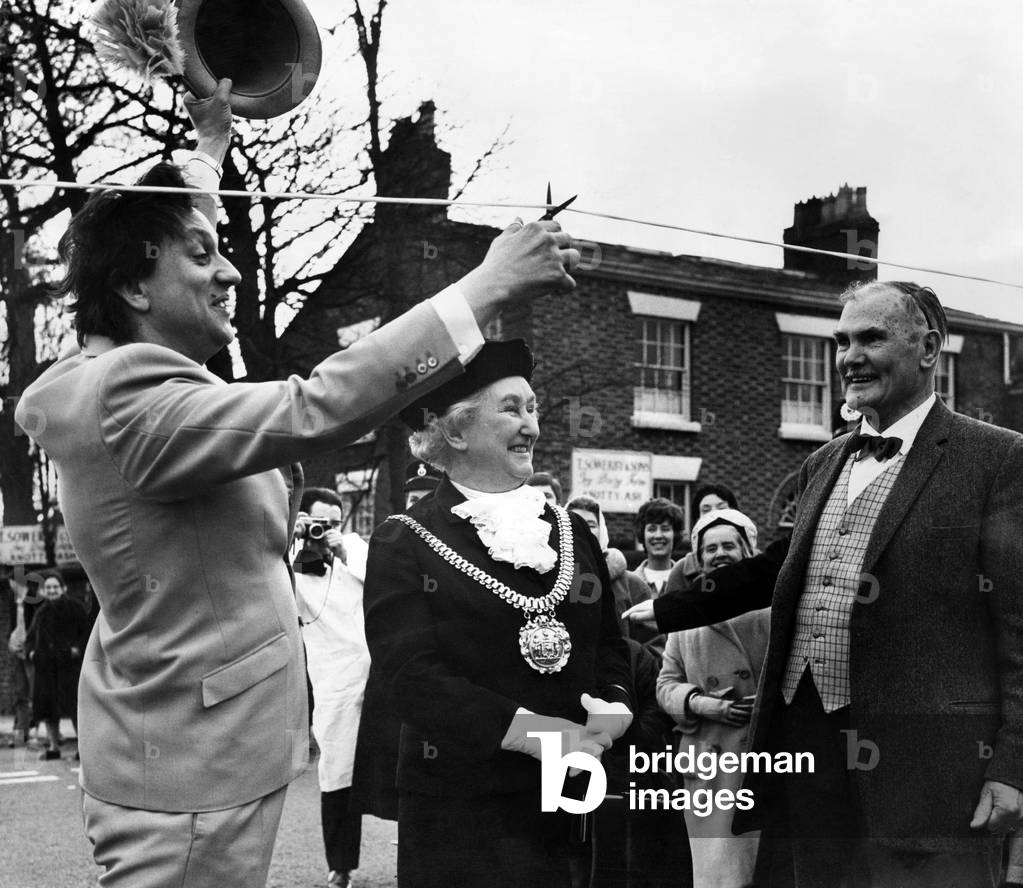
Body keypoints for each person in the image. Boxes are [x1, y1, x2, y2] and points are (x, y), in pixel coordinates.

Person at [13, 79, 581, 887]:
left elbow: (155, 238)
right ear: (135, 289)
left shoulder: (107, 376)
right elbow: (318, 408)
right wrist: (485, 287)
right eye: (202, 257)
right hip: (192, 766)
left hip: (185, 744)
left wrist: (207, 153)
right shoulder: (130, 396)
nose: (230, 273)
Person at [626, 282, 1023, 888]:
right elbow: (778, 568)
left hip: (930, 771)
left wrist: (1013, 766)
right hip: (807, 750)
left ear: (928, 349)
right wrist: (664, 610)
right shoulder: (824, 461)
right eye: (841, 341)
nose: (849, 358)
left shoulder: (997, 459)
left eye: (871, 338)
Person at [362, 339, 634, 888]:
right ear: (456, 432)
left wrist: (615, 705)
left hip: (572, 796)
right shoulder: (403, 539)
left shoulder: (571, 530)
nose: (531, 425)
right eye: (511, 409)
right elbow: (409, 675)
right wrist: (535, 734)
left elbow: (609, 643)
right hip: (460, 810)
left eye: (533, 408)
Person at [656, 509, 768, 888]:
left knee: (757, 871)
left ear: (747, 552)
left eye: (728, 546)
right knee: (714, 876)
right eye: (711, 548)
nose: (719, 554)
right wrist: (702, 704)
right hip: (707, 762)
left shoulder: (771, 609)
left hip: (757, 757)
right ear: (699, 558)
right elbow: (666, 683)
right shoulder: (685, 615)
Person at [292, 487, 370, 888]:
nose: (326, 529)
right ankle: (341, 866)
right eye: (318, 522)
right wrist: (292, 536)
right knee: (338, 771)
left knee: (408, 763)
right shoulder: (291, 559)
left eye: (335, 522)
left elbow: (384, 580)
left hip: (380, 673)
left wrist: (343, 551)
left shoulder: (356, 548)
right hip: (335, 682)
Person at [24, 569, 88, 760]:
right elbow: (30, 638)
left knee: (76, 708)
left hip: (70, 667)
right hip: (46, 669)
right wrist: (31, 653)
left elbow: (87, 634)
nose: (52, 591)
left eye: (55, 587)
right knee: (48, 709)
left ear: (63, 588)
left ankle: (83, 749)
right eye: (48, 588)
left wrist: (77, 649)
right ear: (44, 591)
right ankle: (53, 747)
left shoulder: (76, 608)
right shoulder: (41, 612)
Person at [6, 572, 39, 748]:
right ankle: (20, 736)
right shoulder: (14, 602)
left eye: (12, 583)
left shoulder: (34, 599)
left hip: (32, 653)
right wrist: (11, 641)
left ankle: (39, 736)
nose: (11, 586)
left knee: (35, 694)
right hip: (18, 652)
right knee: (20, 694)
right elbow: (14, 626)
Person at [634, 497, 685, 596]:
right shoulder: (628, 584)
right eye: (652, 529)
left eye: (665, 529)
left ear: (675, 534)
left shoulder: (687, 583)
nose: (658, 535)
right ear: (642, 534)